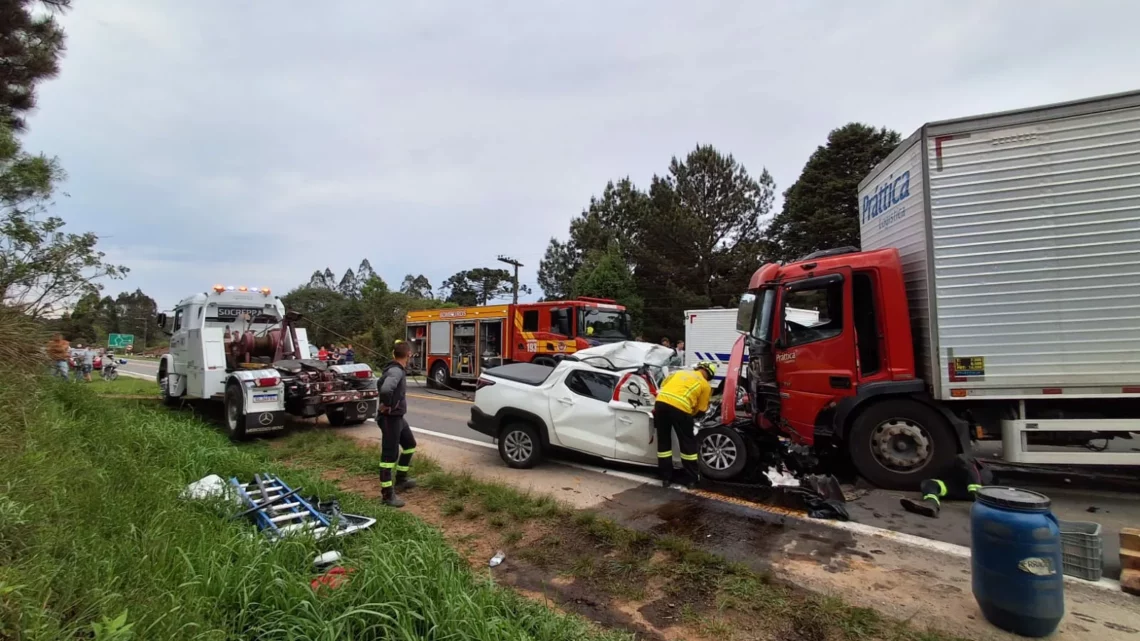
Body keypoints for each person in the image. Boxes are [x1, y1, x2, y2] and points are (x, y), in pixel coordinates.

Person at [654, 361, 716, 488]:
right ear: (709, 376)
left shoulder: (679, 372)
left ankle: (666, 478)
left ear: (698, 368)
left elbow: (664, 385)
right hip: (681, 409)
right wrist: (692, 416)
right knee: (687, 444)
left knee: (664, 442)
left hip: (660, 404)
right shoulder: (705, 385)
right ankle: (691, 479)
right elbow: (702, 409)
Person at [377, 341, 417, 507]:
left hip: (398, 418)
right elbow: (386, 389)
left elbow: (380, 384)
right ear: (408, 354)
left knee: (410, 444)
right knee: (389, 457)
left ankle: (401, 479)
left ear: (394, 354)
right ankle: (387, 496)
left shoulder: (396, 369)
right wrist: (388, 405)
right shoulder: (395, 371)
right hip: (389, 419)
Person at [900, 454, 993, 518]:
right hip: (961, 487)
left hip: (981, 482)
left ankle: (979, 499)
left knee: (962, 459)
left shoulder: (961, 459)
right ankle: (930, 505)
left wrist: (976, 492)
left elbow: (968, 465)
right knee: (929, 483)